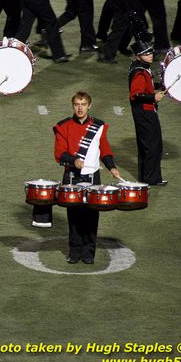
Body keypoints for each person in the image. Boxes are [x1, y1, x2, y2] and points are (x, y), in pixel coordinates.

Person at [36, 92, 120, 263]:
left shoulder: (99, 127)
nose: (80, 108)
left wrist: (112, 167)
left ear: (89, 105)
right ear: (73, 105)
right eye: (76, 104)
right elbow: (59, 153)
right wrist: (74, 160)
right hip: (72, 176)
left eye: (83, 104)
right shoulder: (63, 126)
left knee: (91, 215)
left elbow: (105, 150)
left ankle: (89, 253)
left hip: (93, 176)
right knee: (74, 216)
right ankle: (74, 251)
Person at [128, 40, 168, 185]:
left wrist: (158, 86)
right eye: (146, 53)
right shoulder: (139, 72)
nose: (150, 55)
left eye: (150, 52)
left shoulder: (140, 66)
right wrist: (154, 97)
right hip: (145, 112)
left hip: (143, 111)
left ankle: (147, 177)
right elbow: (136, 94)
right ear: (138, 55)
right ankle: (151, 179)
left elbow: (146, 85)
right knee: (153, 145)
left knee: (148, 145)